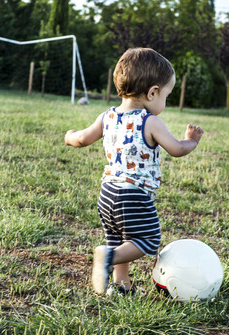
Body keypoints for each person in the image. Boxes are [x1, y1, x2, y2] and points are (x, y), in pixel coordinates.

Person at [64, 48, 204, 295]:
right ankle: (108, 258)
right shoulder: (150, 121)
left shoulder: (107, 116)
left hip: (107, 193)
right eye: (166, 96)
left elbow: (83, 139)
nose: (165, 102)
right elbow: (176, 149)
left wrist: (70, 136)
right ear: (152, 92)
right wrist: (191, 140)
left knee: (118, 238)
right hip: (133, 195)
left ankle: (121, 286)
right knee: (146, 240)